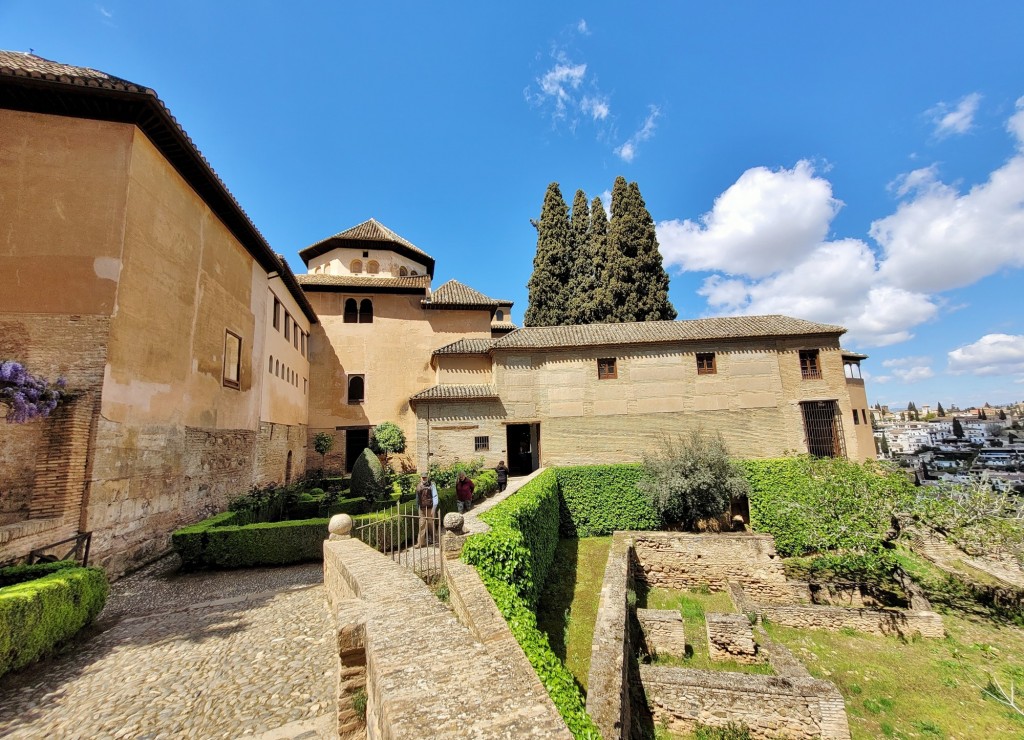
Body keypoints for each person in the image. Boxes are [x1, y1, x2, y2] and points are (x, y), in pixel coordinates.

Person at [415, 473, 438, 548]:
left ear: (427, 478)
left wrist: (434, 508)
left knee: (431, 523)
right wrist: (417, 508)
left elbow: (435, 496)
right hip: (422, 508)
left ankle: (434, 539)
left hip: (430, 507)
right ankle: (420, 542)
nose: (424, 479)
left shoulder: (432, 485)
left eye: (425, 478)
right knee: (422, 524)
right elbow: (417, 499)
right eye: (423, 478)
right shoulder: (418, 486)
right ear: (420, 478)